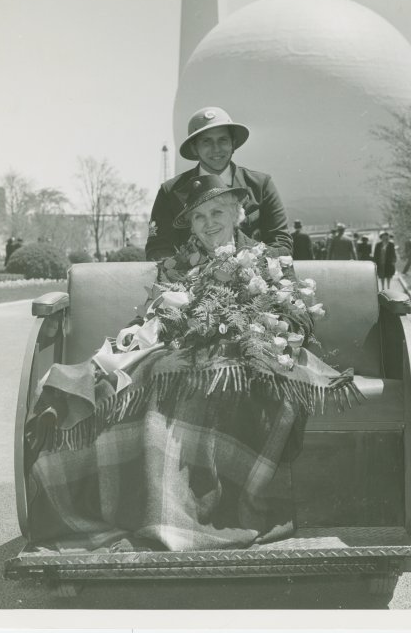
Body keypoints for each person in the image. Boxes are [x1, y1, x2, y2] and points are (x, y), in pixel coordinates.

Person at [26, 175, 357, 553]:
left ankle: (207, 513)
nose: (208, 223)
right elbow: (152, 318)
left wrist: (259, 320)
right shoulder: (176, 265)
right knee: (156, 373)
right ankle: (162, 513)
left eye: (217, 212)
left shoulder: (268, 260)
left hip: (248, 353)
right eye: (199, 217)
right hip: (182, 357)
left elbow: (299, 319)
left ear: (238, 214)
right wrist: (135, 339)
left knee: (219, 375)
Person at [145, 107, 292, 261]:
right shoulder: (170, 191)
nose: (216, 149)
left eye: (223, 140)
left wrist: (244, 269)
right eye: (206, 141)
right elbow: (157, 250)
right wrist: (194, 275)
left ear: (233, 143)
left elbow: (281, 245)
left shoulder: (261, 185)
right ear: (194, 148)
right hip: (191, 282)